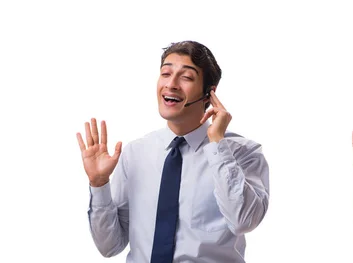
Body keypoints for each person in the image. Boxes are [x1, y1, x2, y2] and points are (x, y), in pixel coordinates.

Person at [76, 40, 270, 263]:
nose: (171, 84)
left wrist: (217, 145)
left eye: (186, 77)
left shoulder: (244, 153)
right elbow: (110, 246)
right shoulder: (135, 153)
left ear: (209, 94)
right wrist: (99, 183)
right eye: (166, 73)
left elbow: (243, 221)